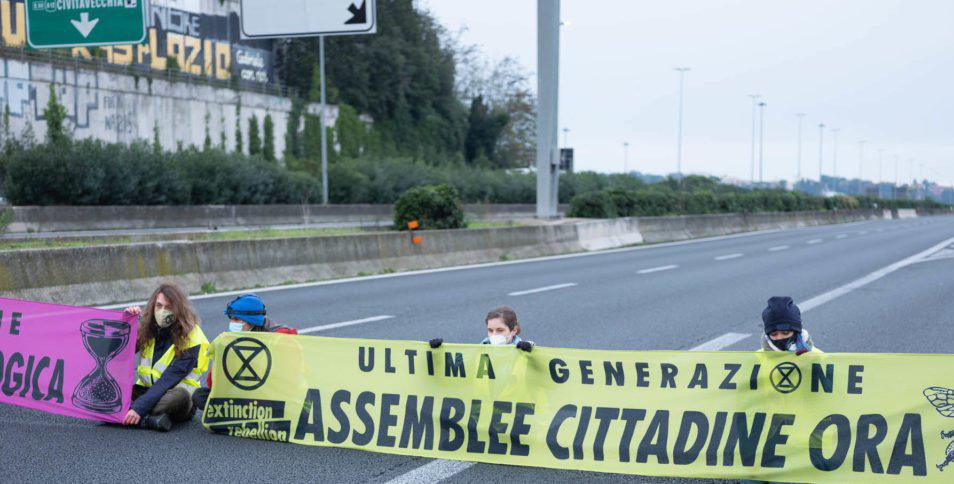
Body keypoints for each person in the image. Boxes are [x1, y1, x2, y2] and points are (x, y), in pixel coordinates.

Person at [742, 296, 820, 483]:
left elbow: (837, 404)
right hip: (768, 441)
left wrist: (811, 368)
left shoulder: (818, 359)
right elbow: (745, 404)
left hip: (807, 443)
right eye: (773, 334)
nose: (779, 338)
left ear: (796, 331)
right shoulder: (757, 360)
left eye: (785, 333)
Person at [123, 283, 210, 432]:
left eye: (168, 307)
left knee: (180, 397)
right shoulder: (148, 328)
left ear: (179, 309)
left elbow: (167, 380)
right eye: (159, 305)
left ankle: (129, 414)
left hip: (176, 396)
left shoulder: (192, 336)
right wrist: (126, 323)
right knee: (109, 394)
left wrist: (139, 407)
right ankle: (149, 420)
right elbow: (117, 353)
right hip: (147, 390)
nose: (162, 311)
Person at [191, 294, 298, 412]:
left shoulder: (281, 338)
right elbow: (214, 385)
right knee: (200, 396)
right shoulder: (231, 340)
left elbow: (291, 378)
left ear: (252, 321)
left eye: (236, 319)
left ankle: (237, 418)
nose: (232, 323)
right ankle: (248, 417)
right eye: (231, 319)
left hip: (271, 394)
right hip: (243, 393)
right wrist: (221, 355)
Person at [429, 306, 534, 351]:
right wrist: (438, 351)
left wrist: (529, 351)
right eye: (490, 330)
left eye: (500, 330)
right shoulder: (481, 348)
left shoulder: (524, 348)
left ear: (514, 330)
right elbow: (458, 366)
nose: (494, 335)